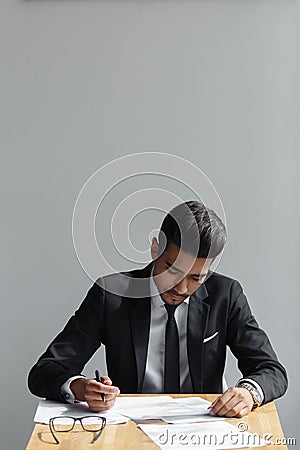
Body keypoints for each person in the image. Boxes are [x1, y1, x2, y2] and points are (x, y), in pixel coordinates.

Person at [28, 201, 287, 418]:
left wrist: (249, 392)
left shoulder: (226, 295)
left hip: (206, 430)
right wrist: (81, 387)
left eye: (196, 277)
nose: (182, 288)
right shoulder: (112, 294)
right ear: (155, 248)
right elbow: (45, 371)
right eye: (172, 270)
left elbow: (271, 370)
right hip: (131, 430)